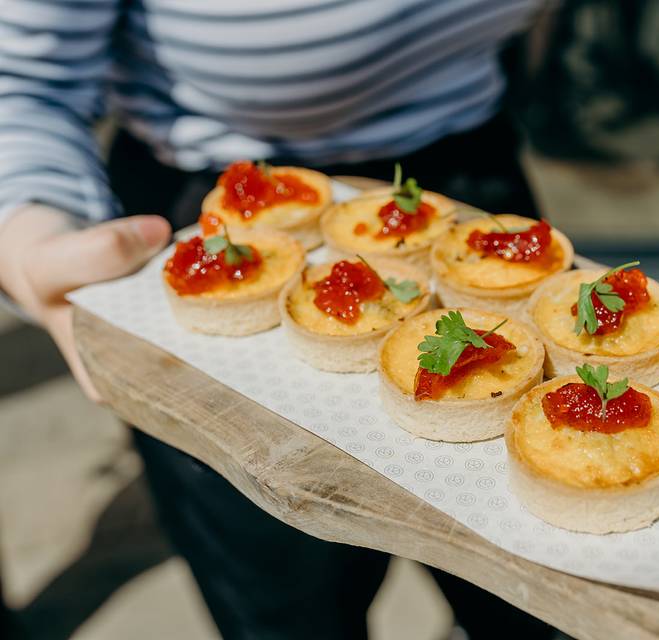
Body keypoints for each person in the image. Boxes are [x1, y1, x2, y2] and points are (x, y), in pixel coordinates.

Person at [0, 2, 554, 638]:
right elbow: (20, 82)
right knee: (288, 606)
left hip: (472, 187)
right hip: (210, 211)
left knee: (527, 602)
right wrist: (33, 239)